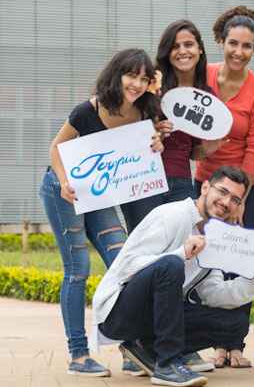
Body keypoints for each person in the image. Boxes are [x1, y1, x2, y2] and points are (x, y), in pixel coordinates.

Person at [91, 166, 254, 387]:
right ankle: (167, 365)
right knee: (171, 264)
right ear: (206, 188)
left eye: (235, 200)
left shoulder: (215, 237)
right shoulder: (172, 215)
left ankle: (146, 349)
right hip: (118, 313)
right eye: (222, 192)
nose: (227, 203)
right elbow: (128, 267)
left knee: (234, 323)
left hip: (154, 319)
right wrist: (182, 254)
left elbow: (213, 294)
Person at [39, 48, 162, 376]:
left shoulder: (144, 113)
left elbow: (146, 150)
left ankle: (129, 348)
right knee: (78, 269)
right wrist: (65, 182)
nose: (135, 83)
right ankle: (78, 355)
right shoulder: (88, 110)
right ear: (117, 75)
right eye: (130, 75)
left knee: (125, 263)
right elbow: (56, 147)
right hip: (64, 191)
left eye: (142, 77)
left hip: (100, 195)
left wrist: (156, 145)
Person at [121, 20, 214, 235]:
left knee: (178, 251)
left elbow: (194, 152)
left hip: (181, 182)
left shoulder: (206, 97)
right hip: (143, 179)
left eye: (188, 45)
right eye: (175, 46)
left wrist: (212, 146)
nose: (182, 51)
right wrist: (152, 130)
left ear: (200, 49)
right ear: (167, 52)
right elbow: (123, 125)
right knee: (142, 249)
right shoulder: (149, 84)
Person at [194, 6, 254, 229]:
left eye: (247, 46)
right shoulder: (202, 76)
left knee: (241, 258)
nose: (239, 52)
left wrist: (239, 200)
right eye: (233, 43)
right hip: (208, 180)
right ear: (222, 42)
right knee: (201, 249)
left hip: (248, 186)